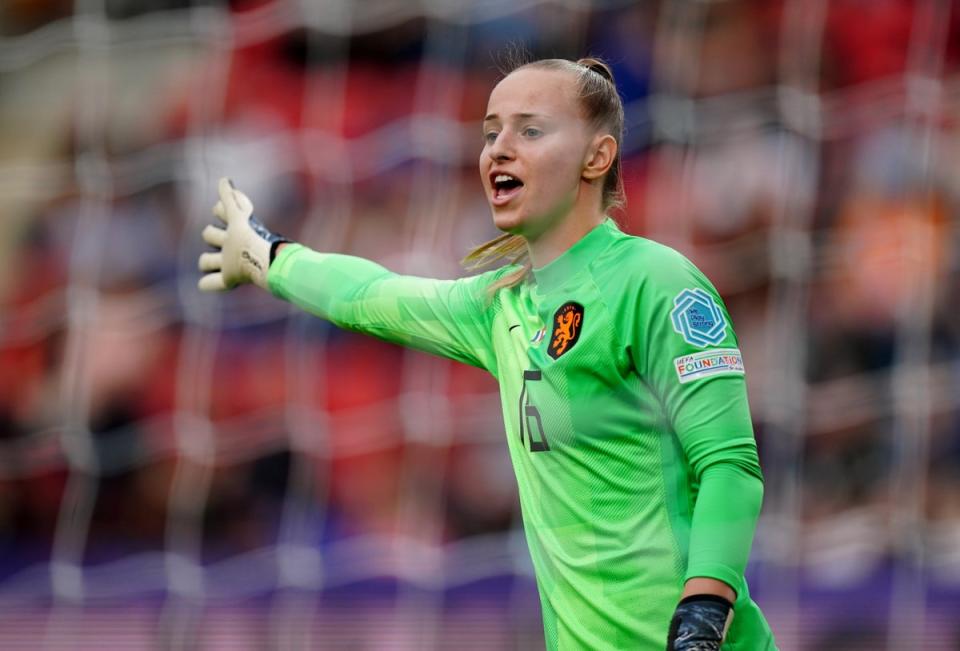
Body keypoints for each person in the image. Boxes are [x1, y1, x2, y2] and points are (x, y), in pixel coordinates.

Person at [197, 57, 777, 651]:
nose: (499, 148)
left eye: (529, 130)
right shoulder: (500, 307)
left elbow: (730, 466)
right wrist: (269, 259)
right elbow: (371, 296)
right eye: (490, 131)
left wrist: (702, 617)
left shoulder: (655, 281)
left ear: (596, 157)